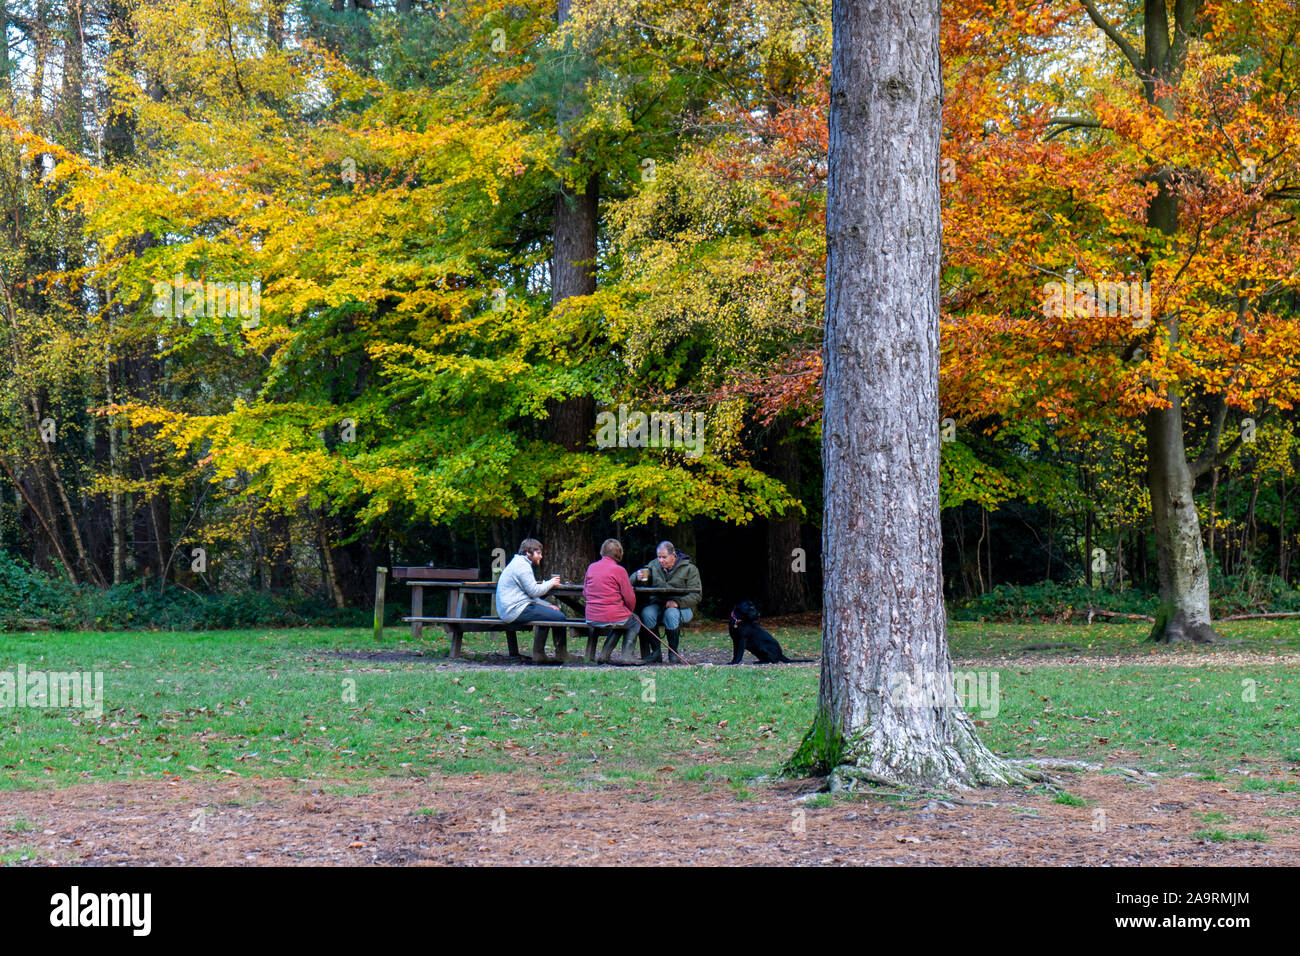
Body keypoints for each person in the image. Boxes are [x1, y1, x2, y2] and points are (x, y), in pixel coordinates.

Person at [635, 540, 702, 663]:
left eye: (664, 557)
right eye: (659, 557)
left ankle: (673, 653)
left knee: (671, 613)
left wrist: (678, 603)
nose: (661, 560)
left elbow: (697, 595)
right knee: (647, 613)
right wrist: (637, 576)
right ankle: (656, 652)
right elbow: (635, 579)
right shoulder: (653, 565)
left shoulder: (690, 569)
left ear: (673, 555)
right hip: (658, 604)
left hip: (683, 607)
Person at [583, 539, 640, 664]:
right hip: (613, 615)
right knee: (634, 621)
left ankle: (604, 655)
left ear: (602, 551)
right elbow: (630, 598)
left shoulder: (591, 567)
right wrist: (629, 610)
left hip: (591, 616)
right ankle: (627, 656)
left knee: (621, 622)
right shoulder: (619, 570)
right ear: (619, 554)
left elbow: (585, 592)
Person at [495, 538, 565, 626]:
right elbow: (534, 591)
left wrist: (547, 605)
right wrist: (551, 582)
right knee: (560, 617)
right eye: (538, 553)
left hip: (511, 609)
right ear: (528, 553)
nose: (541, 556)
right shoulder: (522, 566)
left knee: (552, 613)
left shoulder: (519, 562)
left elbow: (529, 594)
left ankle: (541, 640)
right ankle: (558, 641)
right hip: (514, 611)